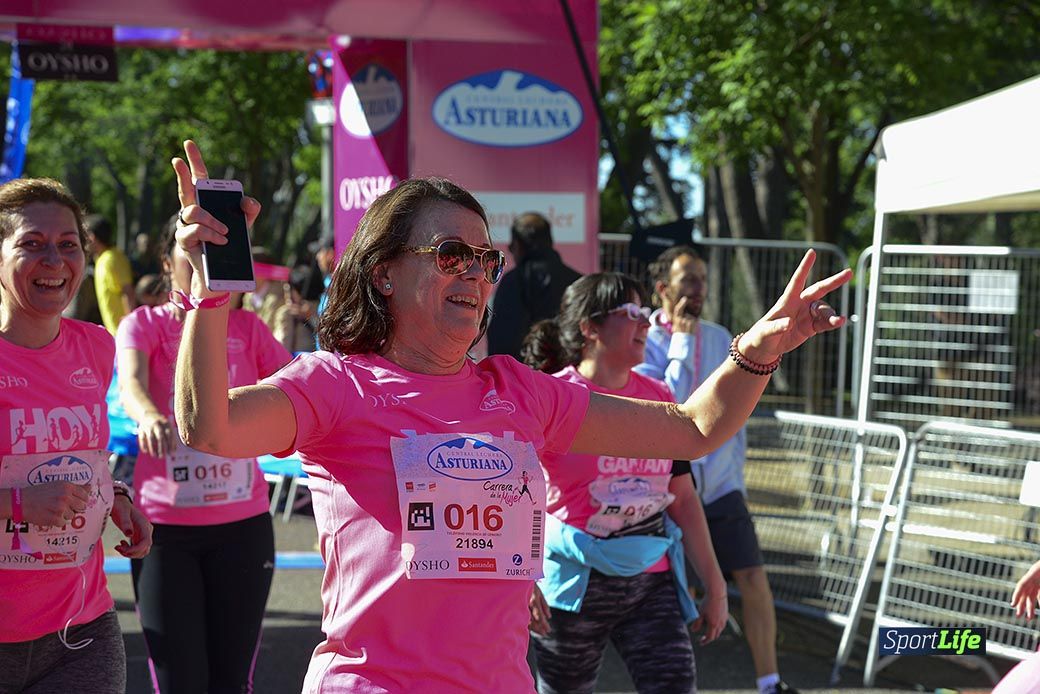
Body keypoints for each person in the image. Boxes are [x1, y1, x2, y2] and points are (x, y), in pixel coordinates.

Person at [169, 139, 849, 692]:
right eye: (450, 254)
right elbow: (210, 427)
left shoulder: (520, 392)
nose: (474, 272)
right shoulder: (336, 384)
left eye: (485, 260)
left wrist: (757, 353)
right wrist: (210, 296)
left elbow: (694, 429)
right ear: (383, 273)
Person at [522, 272, 728, 694]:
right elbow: (514, 499)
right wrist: (521, 580)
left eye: (644, 312)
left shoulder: (660, 398)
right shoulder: (549, 397)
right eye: (630, 312)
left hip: (650, 583)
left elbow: (683, 499)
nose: (646, 323)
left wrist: (716, 583)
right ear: (590, 328)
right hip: (571, 588)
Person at [116, 213, 292, 694]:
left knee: (232, 682)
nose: (203, 271)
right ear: (170, 260)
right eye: (192, 259)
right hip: (163, 533)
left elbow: (297, 388)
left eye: (214, 261)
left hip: (243, 529)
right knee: (182, 682)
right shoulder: (146, 324)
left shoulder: (250, 329)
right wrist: (149, 414)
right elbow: (130, 383)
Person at [0, 178, 152, 693]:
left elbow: (83, 456)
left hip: (80, 630)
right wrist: (15, 503)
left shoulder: (96, 347)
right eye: (31, 243)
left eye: (68, 244)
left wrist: (117, 498)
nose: (54, 259)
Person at [635, 245, 795, 694]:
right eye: (688, 278)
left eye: (703, 278)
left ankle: (769, 681)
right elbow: (671, 407)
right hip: (666, 489)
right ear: (663, 288)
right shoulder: (644, 338)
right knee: (666, 595)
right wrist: (681, 341)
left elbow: (739, 409)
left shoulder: (723, 333)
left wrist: (734, 475)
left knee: (753, 577)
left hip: (721, 488)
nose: (698, 287)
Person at [486, 212, 581, 359]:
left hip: (522, 377)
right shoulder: (578, 282)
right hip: (566, 377)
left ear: (517, 245)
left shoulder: (513, 281)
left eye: (511, 247)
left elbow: (502, 340)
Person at [86, 214, 134, 335]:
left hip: (123, 334)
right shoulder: (102, 259)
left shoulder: (112, 259)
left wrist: (131, 326)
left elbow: (127, 291)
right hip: (115, 333)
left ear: (92, 237)